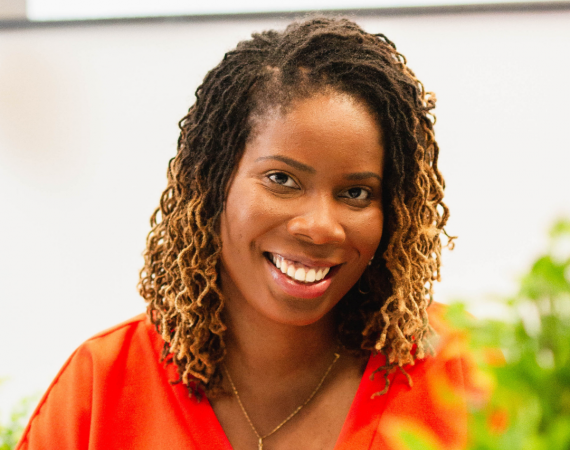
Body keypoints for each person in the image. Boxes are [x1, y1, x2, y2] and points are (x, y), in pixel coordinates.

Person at [17, 17, 475, 450]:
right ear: (212, 183)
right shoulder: (101, 387)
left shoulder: (458, 370)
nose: (319, 226)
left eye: (356, 192)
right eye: (281, 180)